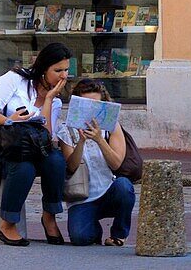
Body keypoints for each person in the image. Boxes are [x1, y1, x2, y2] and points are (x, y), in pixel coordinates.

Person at [0, 43, 70, 247]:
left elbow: (46, 137)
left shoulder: (55, 101)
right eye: (58, 70)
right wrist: (10, 120)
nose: (63, 76)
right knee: (23, 167)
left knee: (55, 160)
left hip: (32, 148)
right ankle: (7, 224)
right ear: (43, 69)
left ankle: (49, 216)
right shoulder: (15, 79)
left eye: (66, 70)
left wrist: (49, 99)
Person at [57, 78, 136, 247]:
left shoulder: (112, 126)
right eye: (87, 104)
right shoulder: (66, 130)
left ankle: (118, 235)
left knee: (125, 187)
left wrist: (100, 140)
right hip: (82, 197)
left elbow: (116, 164)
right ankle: (94, 230)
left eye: (96, 105)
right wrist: (81, 142)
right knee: (80, 238)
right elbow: (71, 166)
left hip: (109, 190)